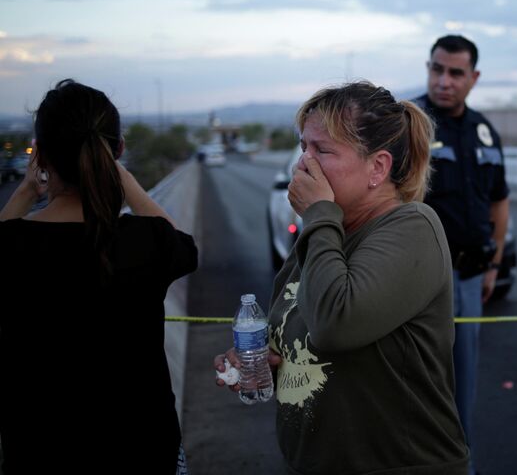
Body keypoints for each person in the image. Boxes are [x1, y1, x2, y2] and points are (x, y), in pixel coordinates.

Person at [215, 81, 469, 474]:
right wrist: (264, 360)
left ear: (377, 168)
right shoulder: (327, 235)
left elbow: (336, 324)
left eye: (323, 150)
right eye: (303, 147)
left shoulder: (412, 228)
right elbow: (305, 330)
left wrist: (318, 213)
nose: (304, 164)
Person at [0, 79, 198, 474]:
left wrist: (24, 192)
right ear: (118, 151)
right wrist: (124, 179)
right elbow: (182, 245)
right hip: (143, 450)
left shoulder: (13, 245)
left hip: (38, 454)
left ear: (40, 156)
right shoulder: (144, 241)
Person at [413, 34, 510, 470]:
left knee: (463, 382)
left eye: (455, 73)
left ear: (474, 78)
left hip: (469, 277)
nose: (444, 81)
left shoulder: (485, 131)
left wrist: (493, 264)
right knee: (416, 382)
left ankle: (459, 465)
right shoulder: (406, 124)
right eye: (437, 69)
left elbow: (499, 201)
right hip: (416, 281)